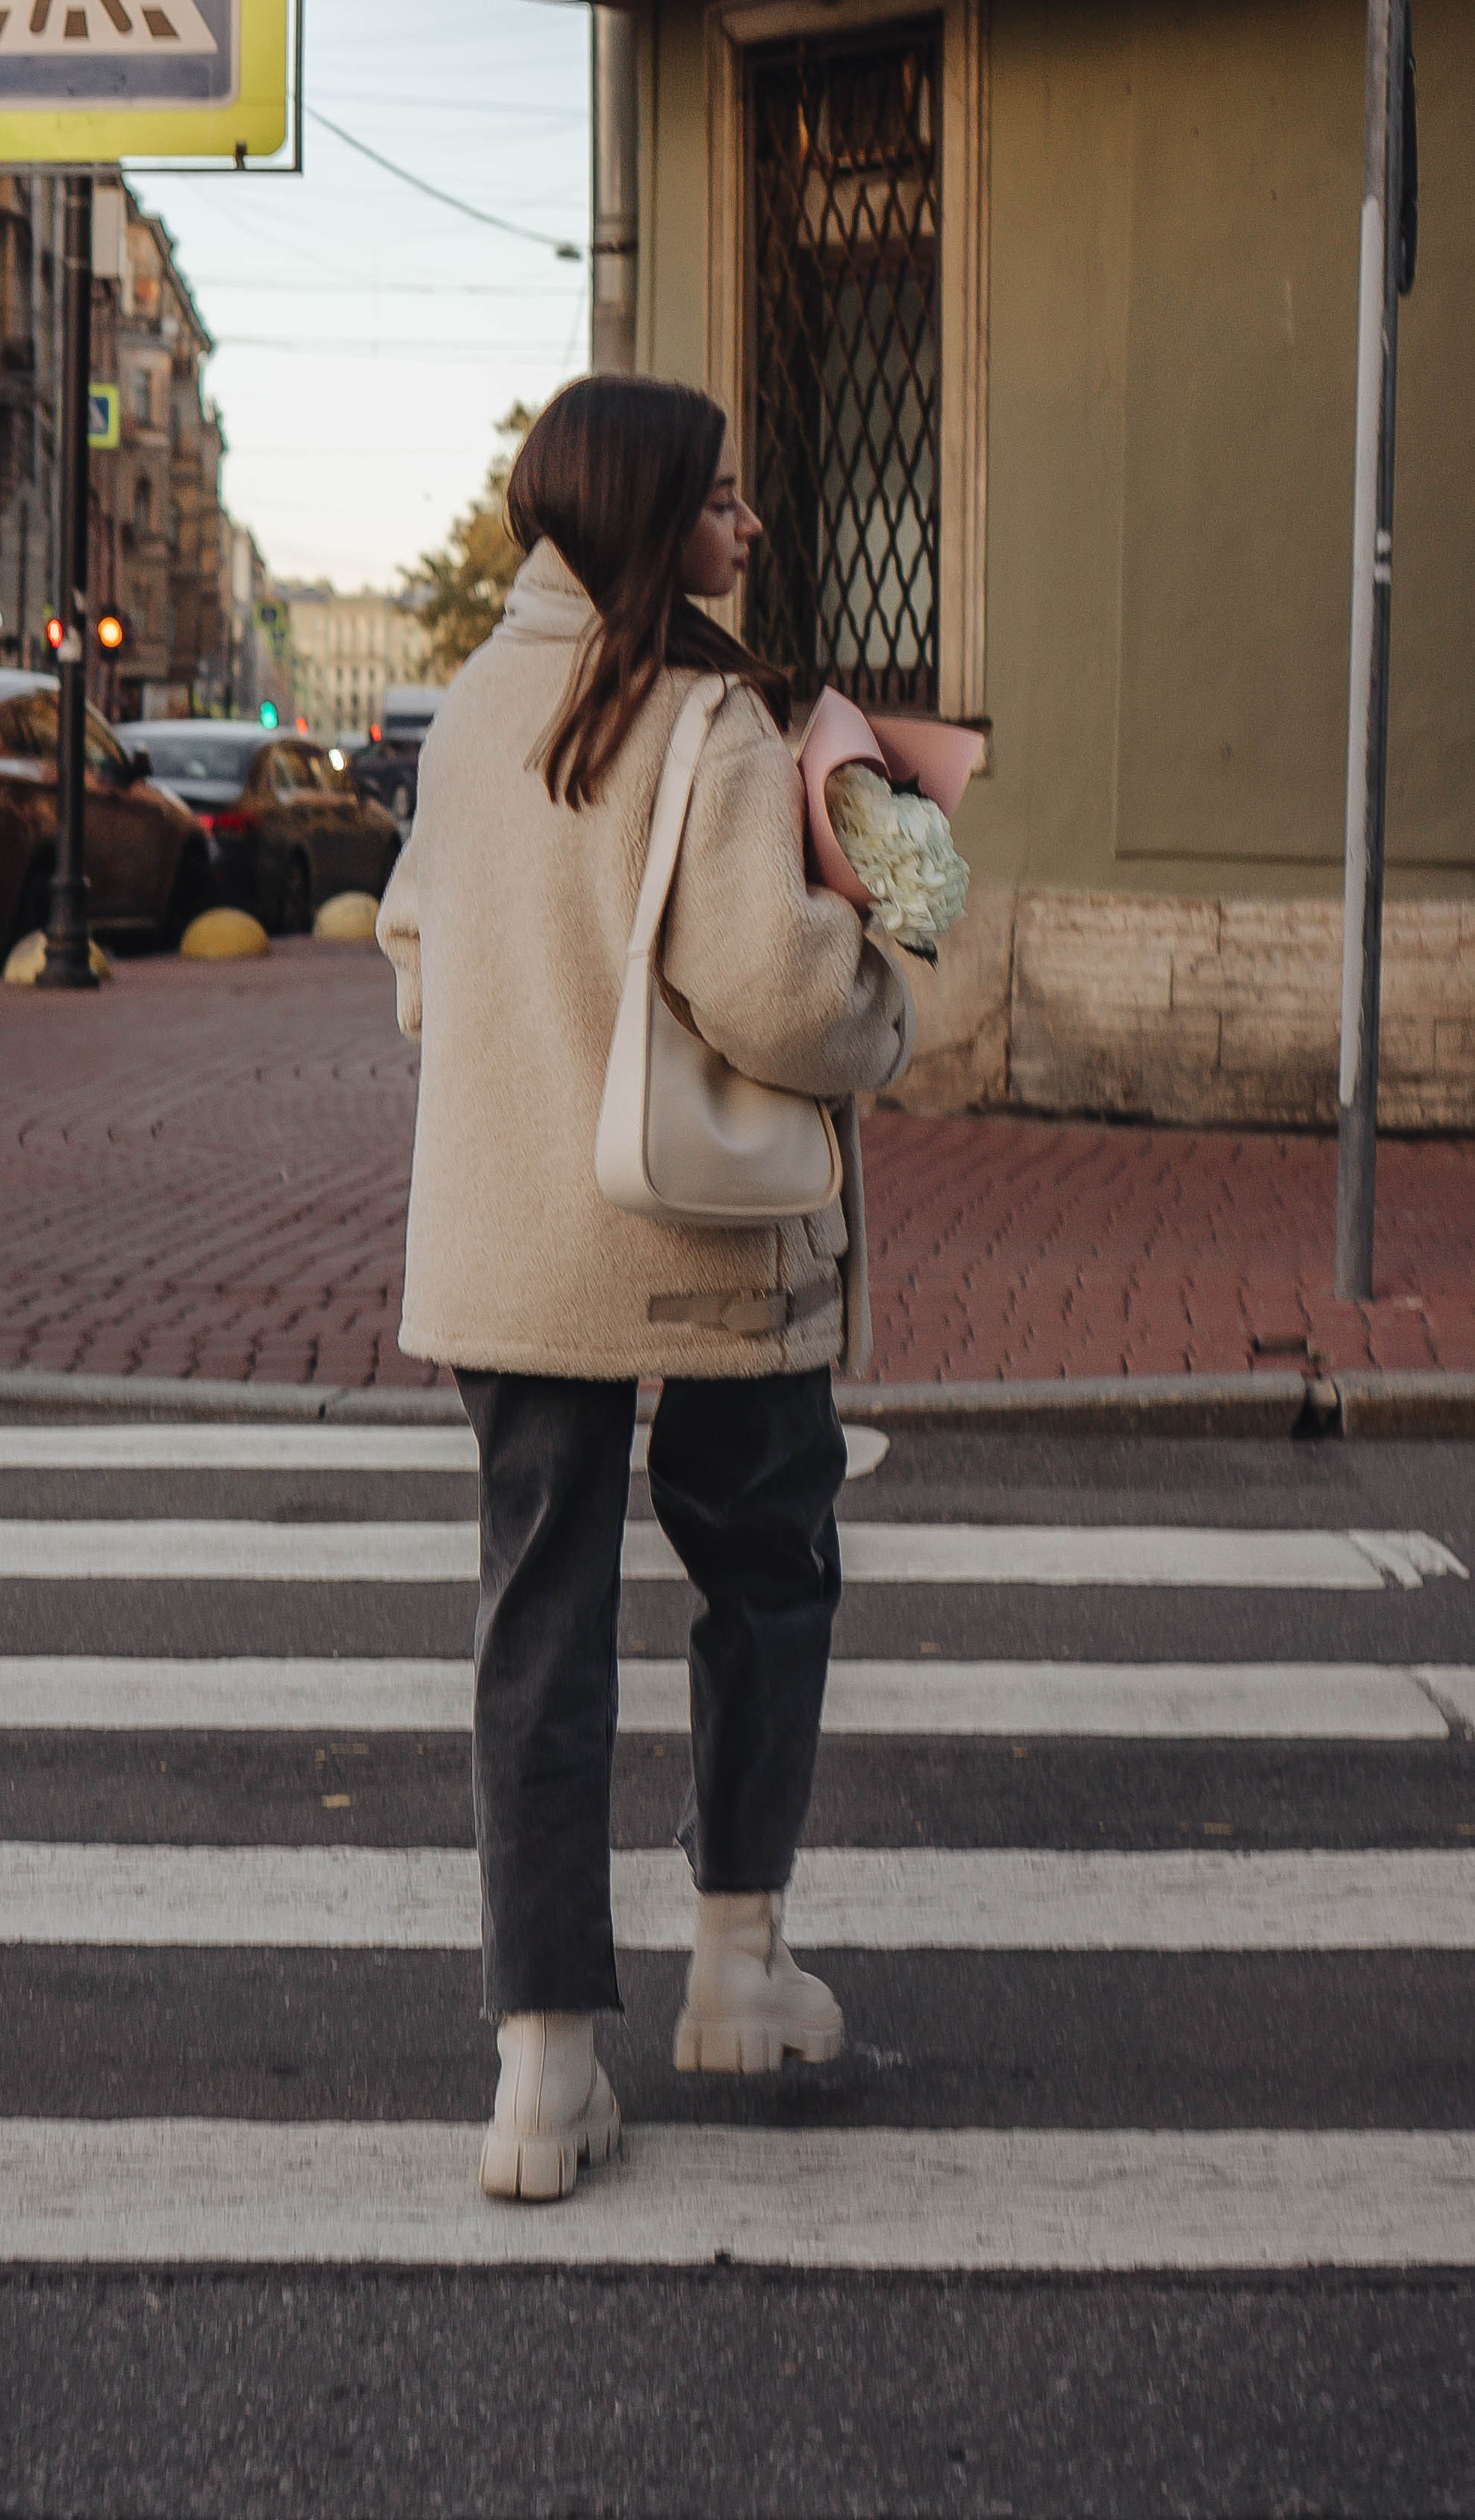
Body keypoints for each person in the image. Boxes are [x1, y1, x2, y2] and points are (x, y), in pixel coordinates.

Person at [376, 374, 915, 2203]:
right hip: (710, 1238)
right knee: (764, 1575)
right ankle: (736, 1967)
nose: (746, 526)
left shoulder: (467, 710)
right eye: (720, 499)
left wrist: (529, 1055)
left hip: (512, 1242)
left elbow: (410, 951)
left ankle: (540, 2075)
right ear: (644, 513)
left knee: (535, 1624)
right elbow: (775, 994)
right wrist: (885, 986)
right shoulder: (717, 723)